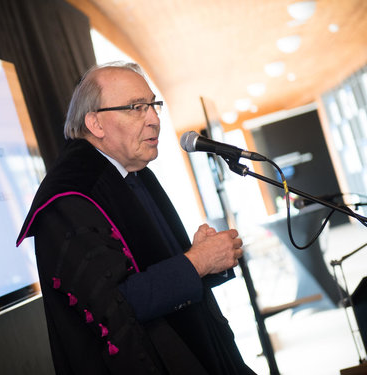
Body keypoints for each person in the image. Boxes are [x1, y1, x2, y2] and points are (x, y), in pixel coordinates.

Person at [17, 61, 255, 374]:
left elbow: (153, 271)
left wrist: (200, 258)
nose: (154, 119)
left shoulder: (134, 175)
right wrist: (196, 262)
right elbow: (115, 308)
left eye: (153, 105)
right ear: (96, 124)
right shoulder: (70, 200)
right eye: (136, 107)